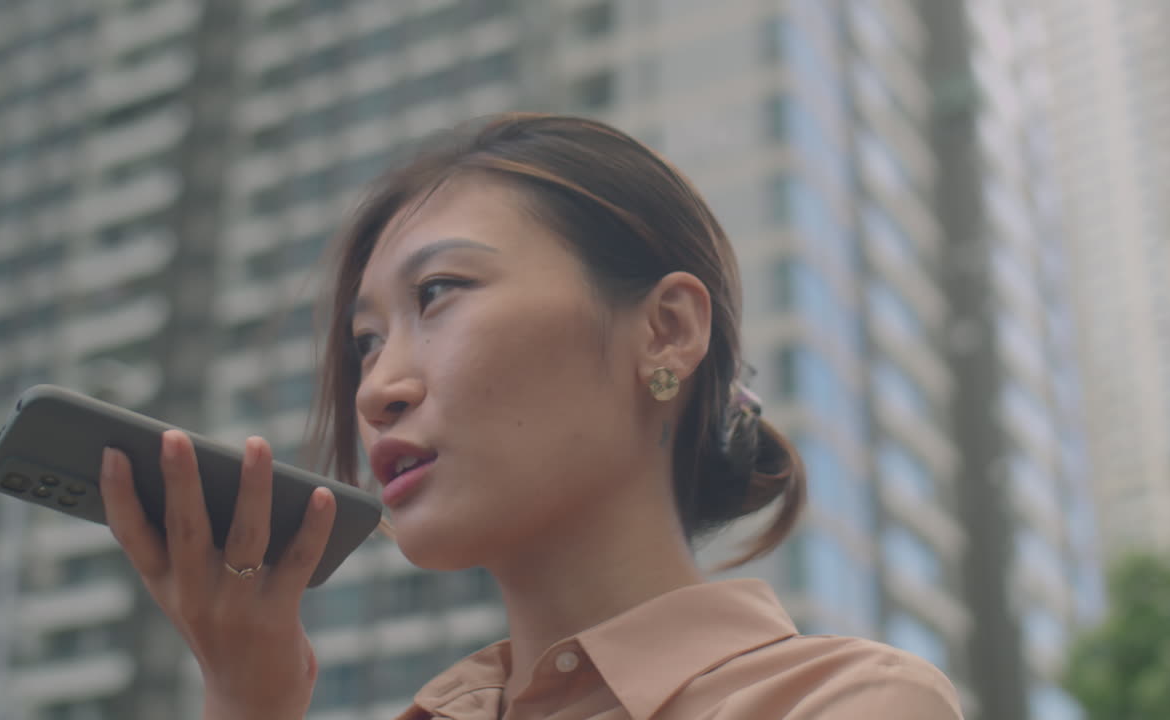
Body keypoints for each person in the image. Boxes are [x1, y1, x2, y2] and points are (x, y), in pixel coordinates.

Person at [98, 113, 964, 719]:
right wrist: (247, 702)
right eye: (365, 341)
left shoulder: (843, 702)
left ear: (666, 330)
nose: (375, 389)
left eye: (438, 294)